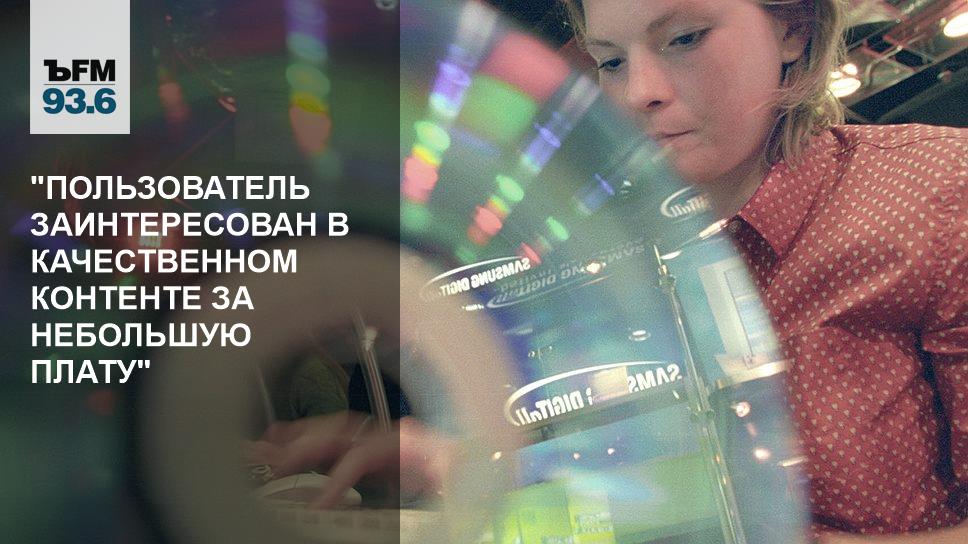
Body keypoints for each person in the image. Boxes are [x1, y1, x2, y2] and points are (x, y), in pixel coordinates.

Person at [249, 0, 967, 542]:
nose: (637, 93)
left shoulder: (933, 195)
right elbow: (644, 479)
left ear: (793, 28)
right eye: (611, 61)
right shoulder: (606, 254)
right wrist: (456, 464)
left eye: (684, 38)